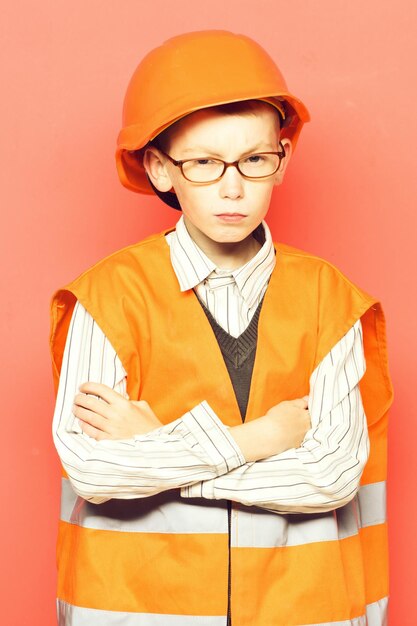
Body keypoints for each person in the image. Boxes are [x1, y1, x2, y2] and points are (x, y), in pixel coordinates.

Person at [50, 30, 393, 626]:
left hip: (304, 608)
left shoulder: (329, 298)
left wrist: (162, 456)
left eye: (254, 159)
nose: (232, 186)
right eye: (204, 162)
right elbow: (93, 469)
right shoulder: (107, 295)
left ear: (281, 161)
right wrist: (256, 439)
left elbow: (333, 473)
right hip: (133, 610)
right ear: (160, 168)